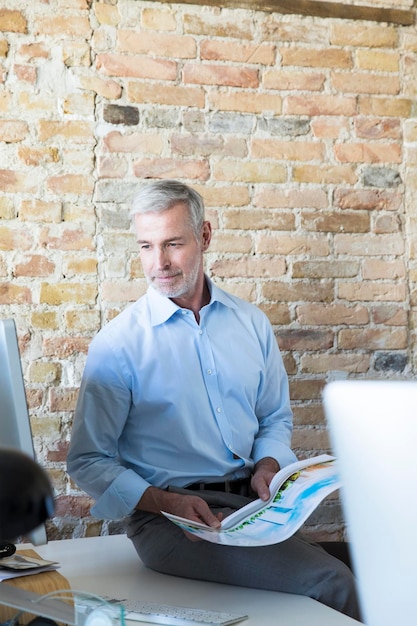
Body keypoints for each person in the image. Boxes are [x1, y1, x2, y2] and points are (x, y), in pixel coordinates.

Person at [67, 180, 360, 620]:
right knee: (331, 581)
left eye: (173, 244)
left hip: (250, 509)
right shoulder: (118, 344)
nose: (158, 262)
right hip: (172, 522)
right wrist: (166, 502)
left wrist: (268, 465)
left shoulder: (251, 324)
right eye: (146, 246)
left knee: (365, 560)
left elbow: (274, 417)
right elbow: (87, 460)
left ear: (204, 236)